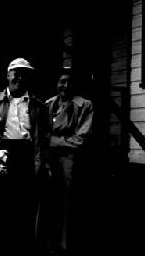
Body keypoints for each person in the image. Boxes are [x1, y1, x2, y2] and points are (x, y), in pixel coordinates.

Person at [0, 57, 49, 256]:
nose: (20, 78)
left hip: (26, 158)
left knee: (23, 213)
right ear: (8, 75)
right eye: (16, 73)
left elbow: (44, 138)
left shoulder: (39, 105)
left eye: (25, 74)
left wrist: (42, 164)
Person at [45, 67, 93, 256]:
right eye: (61, 81)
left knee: (67, 201)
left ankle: (66, 245)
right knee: (49, 199)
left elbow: (81, 138)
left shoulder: (84, 105)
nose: (65, 85)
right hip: (49, 159)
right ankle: (49, 244)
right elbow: (41, 133)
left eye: (69, 81)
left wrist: (54, 141)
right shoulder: (49, 104)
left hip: (70, 160)